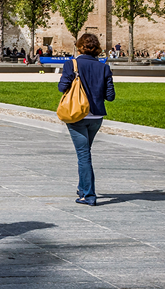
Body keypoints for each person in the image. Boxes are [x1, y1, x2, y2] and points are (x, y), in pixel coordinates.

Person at [59, 33, 115, 206]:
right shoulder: (104, 67)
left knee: (83, 155)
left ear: (79, 46)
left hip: (77, 115)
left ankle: (88, 195)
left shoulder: (72, 64)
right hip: (96, 116)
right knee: (85, 153)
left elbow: (62, 87)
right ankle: (82, 187)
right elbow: (110, 96)